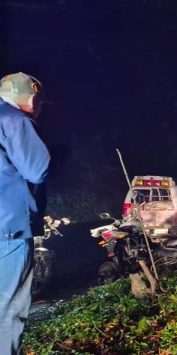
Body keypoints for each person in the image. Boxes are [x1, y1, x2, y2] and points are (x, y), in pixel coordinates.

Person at [0, 72, 50, 353]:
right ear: (31, 99)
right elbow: (36, 169)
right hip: (8, 232)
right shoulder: (14, 120)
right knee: (7, 313)